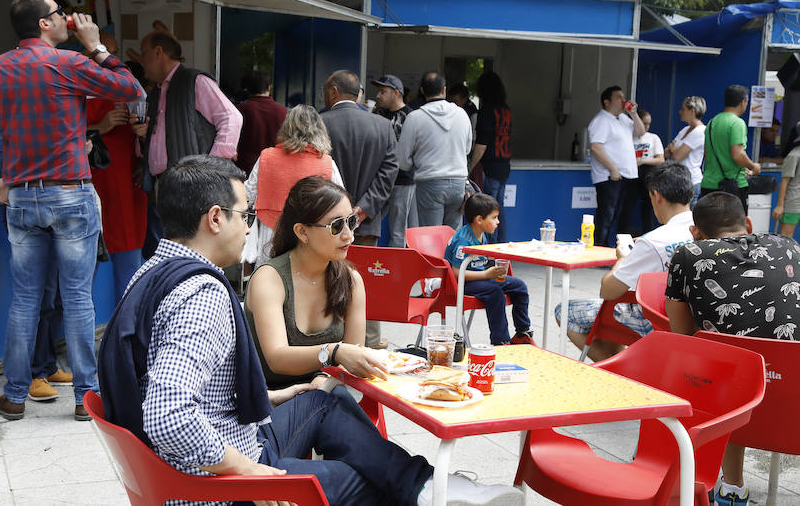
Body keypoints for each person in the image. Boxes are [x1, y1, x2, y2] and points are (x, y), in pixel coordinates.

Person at [98, 155, 523, 506]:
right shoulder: (201, 294)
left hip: (207, 449)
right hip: (212, 482)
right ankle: (436, 491)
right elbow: (167, 415)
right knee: (372, 482)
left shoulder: (151, 272)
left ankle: (432, 488)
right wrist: (250, 472)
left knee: (323, 401)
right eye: (245, 214)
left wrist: (271, 395)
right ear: (214, 218)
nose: (249, 226)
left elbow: (175, 390)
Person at [0, 0, 144, 420]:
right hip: (71, 193)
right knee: (76, 298)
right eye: (59, 12)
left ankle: (15, 395)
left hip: (21, 198)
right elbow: (131, 88)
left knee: (24, 300)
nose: (67, 17)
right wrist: (96, 46)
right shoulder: (70, 63)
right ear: (44, 24)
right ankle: (85, 397)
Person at [665, 191, 800, 506]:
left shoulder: (688, 254)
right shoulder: (790, 246)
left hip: (732, 405)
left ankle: (731, 488)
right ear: (748, 224)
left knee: (719, 366)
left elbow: (682, 334)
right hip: (793, 400)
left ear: (695, 232)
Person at [246, 176, 387, 396]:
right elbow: (277, 358)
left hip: (326, 391)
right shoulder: (269, 279)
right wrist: (333, 352)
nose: (348, 235)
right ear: (302, 232)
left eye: (351, 221)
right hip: (270, 398)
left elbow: (354, 356)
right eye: (336, 226)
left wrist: (324, 375)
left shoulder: (351, 281)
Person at [556, 162, 694, 361]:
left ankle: (619, 371)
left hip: (654, 318)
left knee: (564, 311)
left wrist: (623, 259)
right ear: (689, 194)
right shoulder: (702, 228)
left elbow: (608, 290)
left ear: (657, 196)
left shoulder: (654, 241)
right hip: (689, 317)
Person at [0, 115, 74, 402]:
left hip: (52, 203)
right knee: (37, 298)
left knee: (53, 295)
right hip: (27, 202)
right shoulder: (4, 112)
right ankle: (33, 373)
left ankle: (46, 365)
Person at [135, 30, 243, 258]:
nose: (141, 61)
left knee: (190, 248)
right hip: (165, 186)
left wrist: (212, 167)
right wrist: (143, 135)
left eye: (144, 54)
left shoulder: (195, 81)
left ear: (158, 52)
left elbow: (231, 118)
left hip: (192, 185)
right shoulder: (156, 93)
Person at [321, 70, 398, 349]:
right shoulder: (382, 126)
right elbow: (389, 172)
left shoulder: (320, 123)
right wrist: (363, 209)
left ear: (333, 92)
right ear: (360, 94)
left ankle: (334, 339)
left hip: (326, 223)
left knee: (327, 277)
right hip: (367, 222)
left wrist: (339, 213)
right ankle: (371, 341)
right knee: (367, 279)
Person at [86, 32, 148, 301]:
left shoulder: (127, 86)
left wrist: (142, 132)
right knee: (85, 263)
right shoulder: (75, 84)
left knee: (129, 258)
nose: (105, 57)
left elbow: (147, 121)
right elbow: (59, 133)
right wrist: (101, 126)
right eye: (99, 51)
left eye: (111, 51)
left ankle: (128, 328)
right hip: (89, 183)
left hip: (126, 181)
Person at [243, 105, 343, 265]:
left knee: (269, 277)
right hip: (311, 233)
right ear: (319, 130)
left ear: (287, 128)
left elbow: (247, 194)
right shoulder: (327, 163)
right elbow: (340, 202)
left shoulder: (266, 157)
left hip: (271, 232)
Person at [445, 193, 534, 345]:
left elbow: (482, 259)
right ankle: (501, 341)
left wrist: (494, 264)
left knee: (519, 286)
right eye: (494, 218)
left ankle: (522, 332)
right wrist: (487, 274)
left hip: (481, 277)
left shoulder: (482, 234)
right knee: (495, 293)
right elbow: (456, 273)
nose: (498, 222)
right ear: (479, 220)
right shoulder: (464, 240)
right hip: (462, 283)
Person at [398, 71, 472, 229]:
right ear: (444, 90)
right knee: (452, 237)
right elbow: (467, 149)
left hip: (429, 183)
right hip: (458, 184)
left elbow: (403, 161)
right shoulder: (462, 114)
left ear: (422, 91)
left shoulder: (414, 118)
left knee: (431, 236)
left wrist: (418, 164)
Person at [588, 86, 645, 247]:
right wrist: (612, 168)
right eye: (618, 97)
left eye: (623, 96)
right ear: (607, 102)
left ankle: (618, 249)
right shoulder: (601, 120)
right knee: (607, 214)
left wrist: (633, 113)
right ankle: (600, 247)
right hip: (610, 176)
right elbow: (596, 146)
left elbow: (640, 132)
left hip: (627, 174)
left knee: (622, 215)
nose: (623, 100)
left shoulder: (624, 118)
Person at [700, 85, 761, 214]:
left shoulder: (712, 122)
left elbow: (706, 153)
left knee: (712, 228)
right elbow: (737, 155)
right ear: (743, 102)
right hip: (732, 188)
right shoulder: (737, 123)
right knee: (735, 230)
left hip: (709, 185)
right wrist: (753, 166)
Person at [372, 74, 416, 247]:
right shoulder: (377, 114)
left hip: (403, 180)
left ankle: (395, 271)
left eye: (383, 91)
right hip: (379, 179)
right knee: (369, 226)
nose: (378, 95)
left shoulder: (412, 117)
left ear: (396, 93)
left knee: (399, 231)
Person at [469, 72, 512, 242]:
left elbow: (481, 144)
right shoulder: (506, 110)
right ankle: (500, 249)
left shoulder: (486, 111)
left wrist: (470, 167)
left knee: (488, 212)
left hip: (489, 167)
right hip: (504, 165)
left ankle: (490, 251)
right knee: (498, 211)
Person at [618, 109, 664, 236]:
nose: (646, 127)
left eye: (649, 123)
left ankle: (647, 235)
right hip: (630, 175)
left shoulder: (653, 138)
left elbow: (660, 159)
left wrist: (642, 161)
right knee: (626, 206)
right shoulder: (628, 137)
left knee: (648, 207)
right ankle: (621, 235)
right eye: (643, 123)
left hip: (648, 174)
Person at [235, 71, 288, 175]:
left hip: (246, 168)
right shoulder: (284, 112)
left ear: (248, 90)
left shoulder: (239, 111)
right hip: (274, 167)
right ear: (269, 88)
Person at [665, 96, 706, 206]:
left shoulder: (700, 131)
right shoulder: (685, 130)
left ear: (692, 111)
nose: (680, 112)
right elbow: (667, 152)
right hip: (678, 180)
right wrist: (673, 150)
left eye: (683, 109)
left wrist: (674, 150)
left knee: (687, 217)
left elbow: (677, 156)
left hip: (690, 181)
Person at [772, 135, 800, 239]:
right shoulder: (794, 155)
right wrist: (780, 205)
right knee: (786, 237)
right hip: (793, 202)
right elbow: (784, 181)